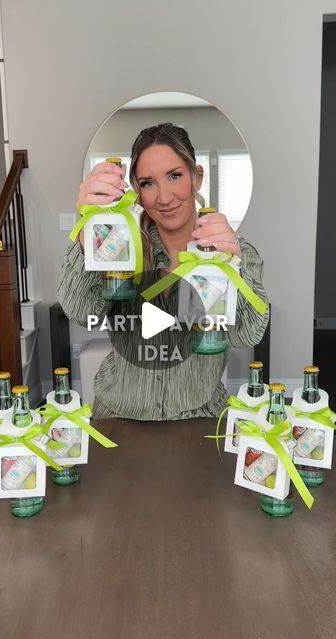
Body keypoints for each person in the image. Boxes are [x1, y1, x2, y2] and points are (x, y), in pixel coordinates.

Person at [58, 123, 269, 421]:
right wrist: (85, 233)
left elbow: (247, 335)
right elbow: (81, 311)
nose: (164, 197)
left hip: (200, 418)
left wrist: (231, 267)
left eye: (174, 176)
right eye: (147, 183)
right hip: (119, 418)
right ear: (136, 191)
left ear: (197, 177)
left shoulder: (234, 253)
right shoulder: (120, 247)